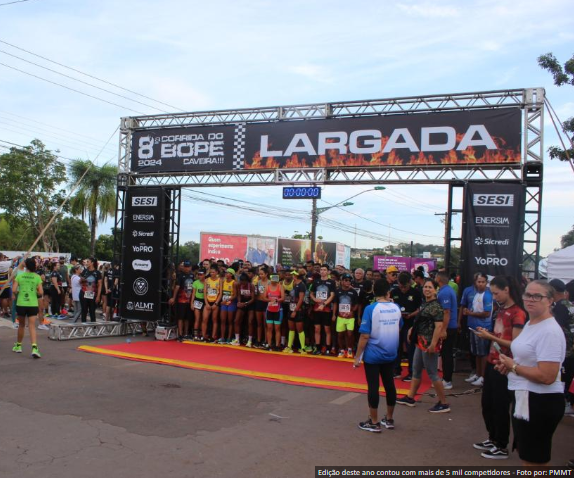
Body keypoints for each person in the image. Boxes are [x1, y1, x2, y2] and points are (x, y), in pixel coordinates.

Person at [496, 280, 566, 466]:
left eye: (537, 296)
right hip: (526, 398)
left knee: (535, 462)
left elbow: (547, 376)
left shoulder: (549, 331)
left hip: (540, 402)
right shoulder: (531, 324)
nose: (530, 299)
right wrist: (511, 366)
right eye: (527, 294)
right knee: (530, 459)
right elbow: (528, 358)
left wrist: (514, 367)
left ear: (550, 301)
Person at [473, 276, 526, 460]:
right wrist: (488, 335)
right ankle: (493, 438)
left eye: (496, 293)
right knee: (487, 404)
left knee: (500, 406)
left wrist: (491, 338)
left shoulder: (518, 312)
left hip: (505, 365)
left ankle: (501, 445)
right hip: (492, 361)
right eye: (492, 293)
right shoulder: (501, 309)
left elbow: (515, 344)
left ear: (507, 290)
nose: (494, 296)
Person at [354, 279, 402, 432]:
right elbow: (399, 327)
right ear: (388, 292)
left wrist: (357, 356)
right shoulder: (396, 308)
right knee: (389, 385)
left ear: (374, 291)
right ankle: (389, 418)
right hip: (391, 352)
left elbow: (364, 336)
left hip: (373, 354)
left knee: (373, 386)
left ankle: (373, 422)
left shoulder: (371, 309)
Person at [397, 279, 451, 413]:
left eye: (430, 287)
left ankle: (443, 403)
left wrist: (433, 344)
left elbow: (439, 327)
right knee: (416, 370)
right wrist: (411, 331)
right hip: (420, 342)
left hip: (428, 344)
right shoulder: (425, 303)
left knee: (433, 373)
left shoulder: (436, 306)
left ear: (436, 290)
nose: (427, 289)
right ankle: (410, 397)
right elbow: (420, 321)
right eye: (425, 287)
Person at [460, 272, 494, 387]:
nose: (480, 284)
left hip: (483, 328)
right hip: (473, 326)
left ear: (486, 282)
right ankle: (478, 374)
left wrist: (471, 313)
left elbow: (486, 313)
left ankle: (483, 377)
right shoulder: (476, 294)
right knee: (476, 353)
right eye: (478, 282)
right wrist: (468, 312)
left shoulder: (487, 295)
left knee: (482, 353)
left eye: (482, 282)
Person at [391, 272, 422, 381]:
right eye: (401, 286)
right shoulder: (393, 292)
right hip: (397, 324)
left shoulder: (416, 293)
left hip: (410, 325)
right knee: (396, 347)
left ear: (410, 283)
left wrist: (411, 315)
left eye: (405, 286)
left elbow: (420, 309)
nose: (403, 288)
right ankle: (396, 370)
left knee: (410, 349)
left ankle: (412, 372)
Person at [12, 258, 44, 358]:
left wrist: (19, 292)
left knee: (21, 325)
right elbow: (41, 292)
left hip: (21, 303)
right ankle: (34, 348)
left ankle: (18, 346)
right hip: (32, 304)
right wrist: (34, 292)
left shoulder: (20, 276)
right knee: (32, 326)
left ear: (26, 265)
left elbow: (14, 290)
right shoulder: (37, 277)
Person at [436, 271, 458, 390]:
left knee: (446, 354)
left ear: (439, 278)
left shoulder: (445, 292)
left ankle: (447, 380)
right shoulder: (447, 290)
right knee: (445, 353)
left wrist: (443, 330)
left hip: (449, 327)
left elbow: (446, 312)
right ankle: (446, 378)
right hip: (449, 326)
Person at [310, 265, 336, 355]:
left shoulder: (331, 282)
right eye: (321, 270)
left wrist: (324, 304)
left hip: (327, 309)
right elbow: (311, 293)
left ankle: (328, 348)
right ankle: (317, 348)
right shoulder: (316, 281)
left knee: (327, 329)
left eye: (324, 270)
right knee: (317, 329)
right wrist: (315, 299)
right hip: (317, 309)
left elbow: (332, 295)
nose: (322, 271)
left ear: (328, 272)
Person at [333, 273, 359, 358]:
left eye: (349, 281)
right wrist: (334, 314)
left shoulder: (353, 292)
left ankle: (350, 350)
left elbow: (356, 305)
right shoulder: (338, 291)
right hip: (340, 316)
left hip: (350, 317)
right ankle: (341, 350)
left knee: (350, 334)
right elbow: (335, 304)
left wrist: (351, 311)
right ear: (342, 281)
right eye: (346, 280)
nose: (348, 282)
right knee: (340, 334)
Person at [283, 271, 307, 354]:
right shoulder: (294, 284)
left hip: (298, 310)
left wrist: (295, 310)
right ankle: (289, 346)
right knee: (291, 329)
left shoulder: (302, 285)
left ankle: (303, 348)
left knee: (300, 329)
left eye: (293, 274)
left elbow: (301, 299)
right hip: (291, 308)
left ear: (296, 276)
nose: (292, 276)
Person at [170, 260, 194, 341]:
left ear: (190, 267)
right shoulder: (180, 275)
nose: (186, 268)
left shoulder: (192, 275)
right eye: (185, 267)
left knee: (187, 318)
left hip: (189, 300)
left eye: (188, 267)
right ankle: (180, 334)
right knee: (181, 317)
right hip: (181, 300)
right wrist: (173, 297)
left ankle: (186, 334)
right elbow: (177, 287)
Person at [233, 273, 255, 346]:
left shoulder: (251, 286)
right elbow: (239, 295)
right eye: (241, 282)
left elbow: (253, 299)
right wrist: (239, 302)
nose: (243, 283)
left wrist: (245, 303)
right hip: (242, 303)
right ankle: (237, 339)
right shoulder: (238, 285)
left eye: (244, 282)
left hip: (250, 304)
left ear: (247, 281)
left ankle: (250, 340)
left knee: (250, 321)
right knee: (236, 320)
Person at [264, 274, 284, 350]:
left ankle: (277, 345)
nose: (273, 280)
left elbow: (283, 298)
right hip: (269, 310)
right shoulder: (267, 287)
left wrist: (276, 300)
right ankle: (269, 344)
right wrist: (270, 300)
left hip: (278, 310)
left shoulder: (280, 287)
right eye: (272, 278)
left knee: (277, 328)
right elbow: (264, 298)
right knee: (269, 328)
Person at [202, 266, 222, 341]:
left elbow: (220, 293)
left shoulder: (219, 280)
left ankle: (213, 336)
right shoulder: (207, 280)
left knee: (214, 319)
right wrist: (206, 303)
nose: (212, 274)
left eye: (213, 272)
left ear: (217, 272)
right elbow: (204, 292)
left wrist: (216, 303)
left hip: (215, 301)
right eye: (210, 272)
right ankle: (204, 336)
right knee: (205, 319)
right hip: (208, 301)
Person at [80, 257, 102, 323]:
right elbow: (80, 281)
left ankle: (93, 327)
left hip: (92, 293)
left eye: (88, 262)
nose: (86, 263)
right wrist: (82, 280)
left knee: (92, 311)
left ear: (92, 263)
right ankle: (83, 325)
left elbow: (100, 285)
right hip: (84, 292)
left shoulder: (97, 273)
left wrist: (98, 296)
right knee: (84, 310)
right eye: (86, 262)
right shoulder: (85, 271)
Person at [252, 266, 270, 348]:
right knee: (259, 323)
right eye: (259, 274)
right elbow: (257, 293)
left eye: (262, 274)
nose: (260, 275)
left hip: (266, 303)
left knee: (265, 323)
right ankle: (258, 340)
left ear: (266, 274)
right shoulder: (258, 282)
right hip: (259, 303)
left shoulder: (270, 282)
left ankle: (266, 340)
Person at [219, 268, 237, 344]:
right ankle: (222, 337)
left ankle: (229, 338)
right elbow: (221, 292)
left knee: (230, 321)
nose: (226, 274)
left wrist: (226, 300)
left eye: (228, 273)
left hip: (231, 303)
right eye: (226, 273)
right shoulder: (223, 281)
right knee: (223, 320)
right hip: (224, 303)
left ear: (232, 274)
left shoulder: (234, 283)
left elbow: (235, 295)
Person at [191, 270, 206, 340]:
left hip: (205, 301)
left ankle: (202, 334)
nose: (200, 276)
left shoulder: (207, 282)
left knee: (203, 319)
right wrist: (192, 303)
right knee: (197, 318)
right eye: (199, 275)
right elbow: (193, 294)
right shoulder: (195, 282)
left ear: (204, 275)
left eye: (201, 275)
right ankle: (195, 335)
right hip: (197, 300)